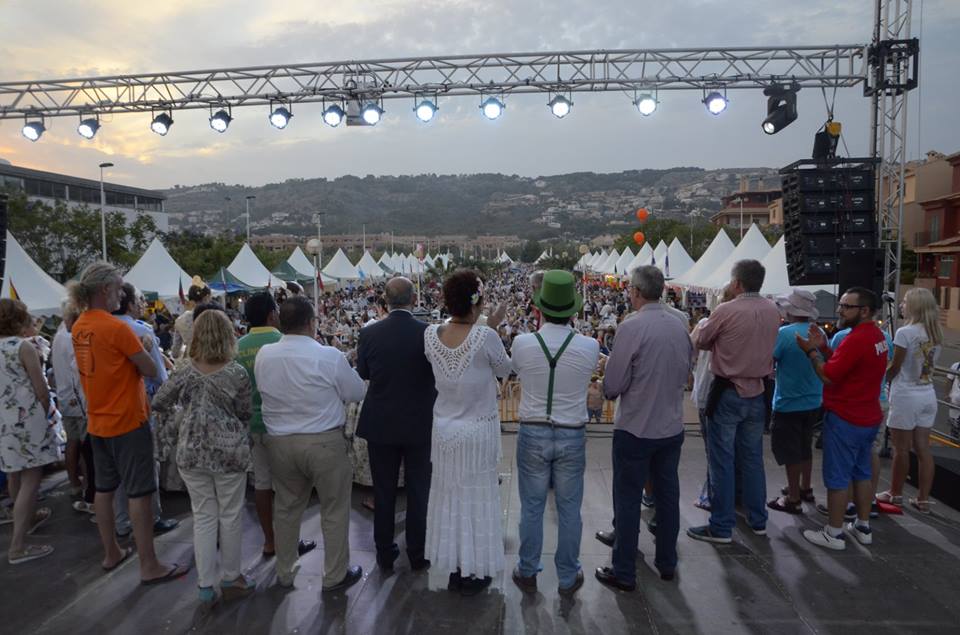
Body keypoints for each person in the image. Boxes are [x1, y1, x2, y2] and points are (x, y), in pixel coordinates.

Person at [69, 261, 189, 583]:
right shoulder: (117, 329)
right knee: (139, 493)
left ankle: (111, 552)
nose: (121, 295)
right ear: (105, 289)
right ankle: (149, 565)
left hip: (97, 422)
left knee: (104, 490)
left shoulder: (79, 326)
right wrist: (145, 349)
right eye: (119, 289)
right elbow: (150, 369)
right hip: (127, 420)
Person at [255, 296, 366, 591]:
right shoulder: (328, 356)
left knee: (286, 508)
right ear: (311, 323)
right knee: (334, 509)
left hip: (279, 442)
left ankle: (285, 571)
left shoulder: (265, 354)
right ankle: (335, 574)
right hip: (323, 442)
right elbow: (355, 392)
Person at [596, 266, 692, 590]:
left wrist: (608, 384)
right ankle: (667, 562)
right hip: (671, 425)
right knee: (667, 496)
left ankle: (624, 571)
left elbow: (613, 384)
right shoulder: (680, 323)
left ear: (635, 291)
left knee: (627, 498)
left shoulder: (632, 326)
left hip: (636, 427)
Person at [152, 310, 254, 605]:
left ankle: (205, 585)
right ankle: (231, 577)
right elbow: (245, 412)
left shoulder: (184, 371)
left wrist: (185, 413)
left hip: (191, 450)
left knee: (204, 517)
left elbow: (159, 401)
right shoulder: (236, 373)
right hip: (228, 452)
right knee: (230, 515)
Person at [510, 270, 598, 596]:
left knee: (531, 507)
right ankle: (568, 575)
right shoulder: (590, 346)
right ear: (573, 309)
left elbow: (516, 370)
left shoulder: (522, 343)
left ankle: (527, 569)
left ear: (540, 307)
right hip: (572, 432)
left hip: (532, 430)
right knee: (569, 509)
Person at [423, 270, 511, 596]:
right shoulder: (486, 336)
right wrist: (493, 326)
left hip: (444, 431)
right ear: (477, 301)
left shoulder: (430, 334)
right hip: (477, 431)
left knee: (450, 497)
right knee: (477, 498)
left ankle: (456, 568)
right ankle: (474, 571)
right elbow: (505, 368)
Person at [688, 260, 780, 543]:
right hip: (758, 392)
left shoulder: (726, 310)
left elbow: (702, 340)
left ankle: (721, 525)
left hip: (728, 392)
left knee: (722, 460)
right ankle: (758, 519)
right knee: (752, 459)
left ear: (737, 283)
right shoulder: (772, 310)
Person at [796, 287, 889, 550]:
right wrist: (825, 348)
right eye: (841, 305)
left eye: (847, 306)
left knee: (837, 478)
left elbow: (828, 376)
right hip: (868, 416)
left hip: (846, 418)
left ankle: (834, 533)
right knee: (861, 473)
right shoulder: (877, 336)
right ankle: (862, 526)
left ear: (865, 311)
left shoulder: (856, 339)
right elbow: (846, 367)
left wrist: (811, 352)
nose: (840, 310)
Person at [356, 277, 436, 572]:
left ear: (385, 302)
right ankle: (417, 553)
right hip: (419, 423)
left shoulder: (369, 333)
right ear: (414, 300)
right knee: (418, 491)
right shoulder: (428, 333)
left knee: (384, 491)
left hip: (381, 422)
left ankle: (385, 554)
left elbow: (363, 372)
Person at [236, 292, 316, 559]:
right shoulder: (283, 341)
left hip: (254, 425)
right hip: (283, 424)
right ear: (273, 315)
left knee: (262, 484)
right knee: (287, 488)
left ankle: (269, 541)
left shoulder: (237, 347)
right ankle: (289, 541)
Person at [112, 283, 178, 538]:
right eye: (139, 300)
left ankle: (122, 521)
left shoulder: (99, 328)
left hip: (107, 409)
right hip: (140, 404)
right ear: (128, 303)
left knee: (117, 470)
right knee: (147, 464)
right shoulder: (139, 330)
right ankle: (153, 517)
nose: (142, 305)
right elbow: (158, 375)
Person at [0, 299, 59, 564]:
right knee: (31, 478)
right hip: (27, 419)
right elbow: (41, 389)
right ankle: (18, 546)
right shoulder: (22, 347)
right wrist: (46, 414)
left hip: (4, 421)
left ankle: (28, 520)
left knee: (14, 474)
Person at [878, 288, 942, 514]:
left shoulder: (905, 332)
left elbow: (895, 367)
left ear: (915, 306)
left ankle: (894, 494)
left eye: (905, 302)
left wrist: (882, 376)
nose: (901, 305)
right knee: (923, 449)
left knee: (901, 449)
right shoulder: (935, 332)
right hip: (927, 393)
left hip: (906, 394)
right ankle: (923, 499)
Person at [767, 290, 824, 514]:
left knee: (790, 451)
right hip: (814, 400)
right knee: (805, 446)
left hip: (788, 401)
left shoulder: (784, 333)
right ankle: (805, 487)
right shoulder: (818, 332)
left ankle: (793, 497)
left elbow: (770, 359)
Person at [50, 299, 87, 500]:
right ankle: (87, 484)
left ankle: (74, 482)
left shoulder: (58, 335)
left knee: (73, 442)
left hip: (65, 396)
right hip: (77, 398)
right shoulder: (71, 336)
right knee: (84, 444)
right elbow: (78, 369)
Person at [172, 283, 212, 360]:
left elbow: (175, 353)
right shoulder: (215, 317)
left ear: (190, 300)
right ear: (207, 297)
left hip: (191, 360)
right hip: (213, 360)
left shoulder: (180, 320)